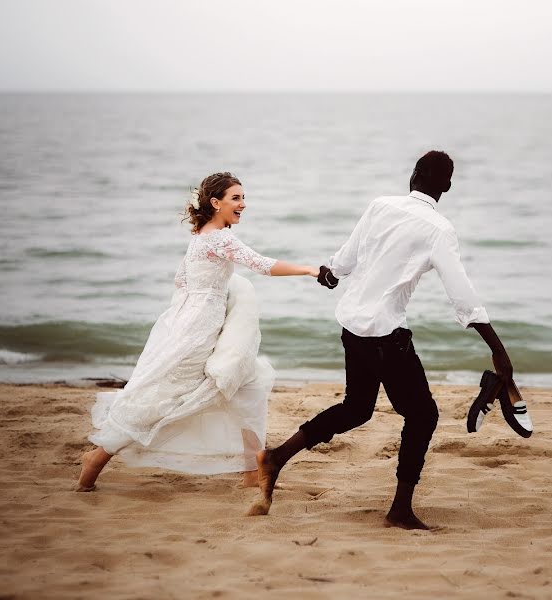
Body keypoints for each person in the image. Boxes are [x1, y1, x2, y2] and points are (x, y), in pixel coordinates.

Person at [248, 151, 513, 530]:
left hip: (352, 326)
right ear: (447, 186)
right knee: (423, 415)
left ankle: (277, 457)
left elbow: (346, 258)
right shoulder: (440, 230)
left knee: (357, 408)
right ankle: (400, 510)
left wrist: (332, 274)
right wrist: (498, 349)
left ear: (414, 175)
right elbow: (462, 295)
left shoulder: (380, 206)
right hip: (385, 336)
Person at [75, 172, 319, 491]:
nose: (243, 204)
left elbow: (181, 281)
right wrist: (310, 269)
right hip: (198, 331)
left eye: (244, 198)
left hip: (193, 323)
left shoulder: (200, 237)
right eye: (236, 198)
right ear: (215, 203)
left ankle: (250, 474)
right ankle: (95, 461)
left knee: (248, 383)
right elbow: (261, 264)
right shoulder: (220, 238)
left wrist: (212, 300)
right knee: (164, 398)